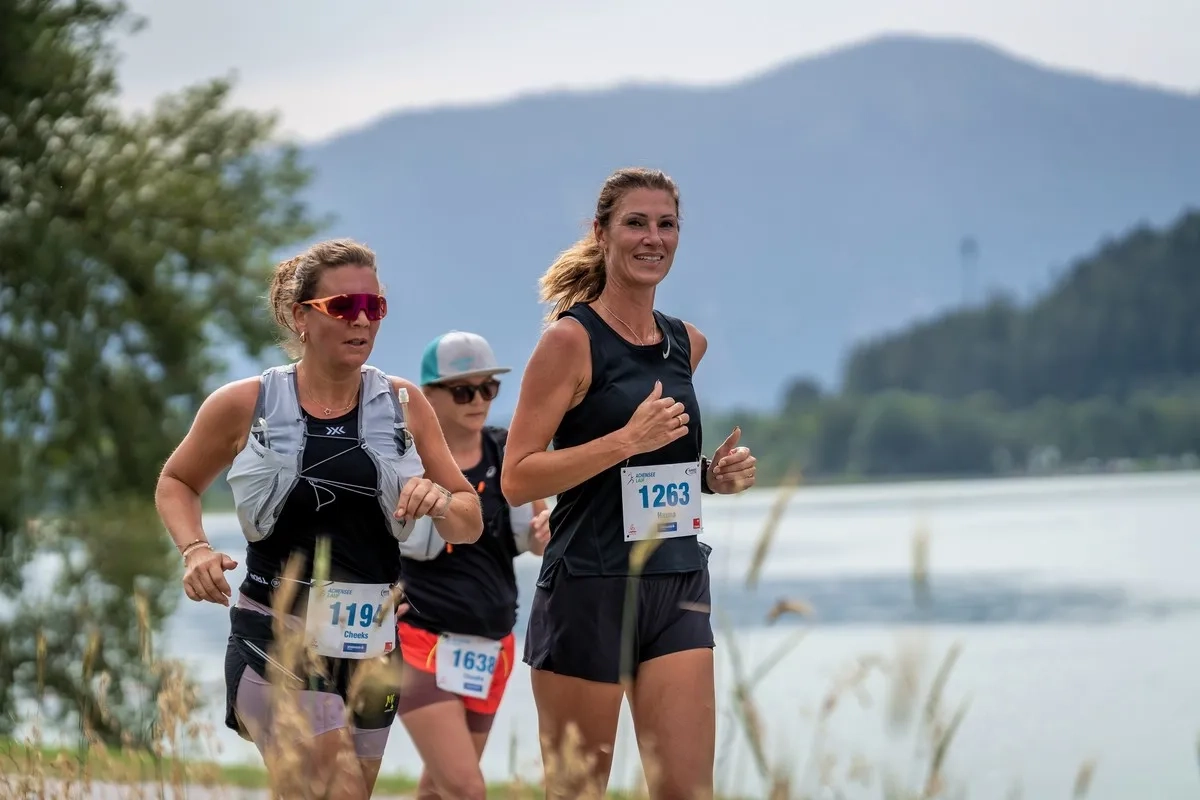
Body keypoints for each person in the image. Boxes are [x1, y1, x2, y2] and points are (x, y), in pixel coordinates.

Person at [153, 239, 484, 800]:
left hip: (371, 646)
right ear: (300, 315)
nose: (361, 320)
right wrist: (195, 550)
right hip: (275, 637)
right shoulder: (246, 403)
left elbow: (468, 520)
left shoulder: (403, 404)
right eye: (343, 307)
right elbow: (176, 482)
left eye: (374, 307)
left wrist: (441, 503)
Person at [500, 167, 758, 799]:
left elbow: (645, 477)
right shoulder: (570, 341)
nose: (653, 238)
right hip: (590, 586)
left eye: (666, 224)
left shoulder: (685, 343)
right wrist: (624, 440)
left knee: (687, 792)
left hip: (675, 582)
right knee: (578, 792)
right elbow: (516, 477)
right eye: (635, 223)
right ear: (602, 233)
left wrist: (708, 478)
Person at [391, 329, 551, 800]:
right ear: (429, 397)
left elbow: (540, 537)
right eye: (464, 390)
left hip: (490, 645)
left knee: (438, 790)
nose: (478, 400)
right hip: (418, 641)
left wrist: (545, 537)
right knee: (466, 788)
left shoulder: (508, 453)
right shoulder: (403, 461)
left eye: (489, 388)